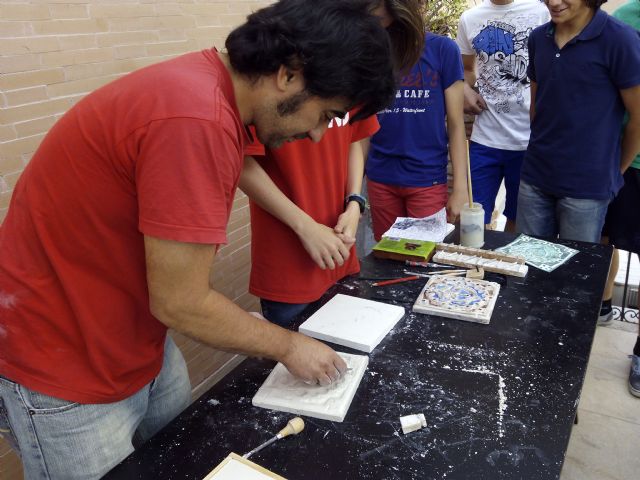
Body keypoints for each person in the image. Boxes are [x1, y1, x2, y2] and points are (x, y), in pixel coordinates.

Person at [0, 1, 396, 478]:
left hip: (133, 334)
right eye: (324, 115)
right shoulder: (195, 121)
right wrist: (289, 346)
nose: (316, 135)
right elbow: (181, 302)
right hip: (65, 361)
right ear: (289, 74)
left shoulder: (210, 94)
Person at [240, 0, 425, 327]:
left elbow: (357, 136)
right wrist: (304, 225)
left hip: (341, 249)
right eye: (374, 23)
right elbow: (242, 161)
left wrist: (355, 202)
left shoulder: (350, 71)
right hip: (289, 260)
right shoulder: (281, 67)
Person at [516, 0, 640, 244]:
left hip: (588, 188)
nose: (553, 2)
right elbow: (537, 106)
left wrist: (616, 171)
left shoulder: (620, 39)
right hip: (535, 179)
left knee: (576, 275)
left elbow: (637, 117)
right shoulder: (538, 38)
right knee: (528, 272)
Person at [365, 31, 468, 241]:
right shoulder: (373, 49)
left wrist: (460, 187)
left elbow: (456, 125)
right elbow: (362, 125)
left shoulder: (443, 49)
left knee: (424, 258)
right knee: (387, 258)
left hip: (426, 178)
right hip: (381, 176)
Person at [456, 0, 549, 231]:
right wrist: (465, 90)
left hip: (530, 141)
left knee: (520, 224)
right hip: (485, 138)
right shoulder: (470, 18)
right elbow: (466, 68)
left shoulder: (542, 12)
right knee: (472, 220)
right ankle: (478, 266)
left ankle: (501, 267)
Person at [602, 0, 640, 398]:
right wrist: (618, 169)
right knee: (603, 241)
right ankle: (603, 304)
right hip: (619, 158)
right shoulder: (624, 19)